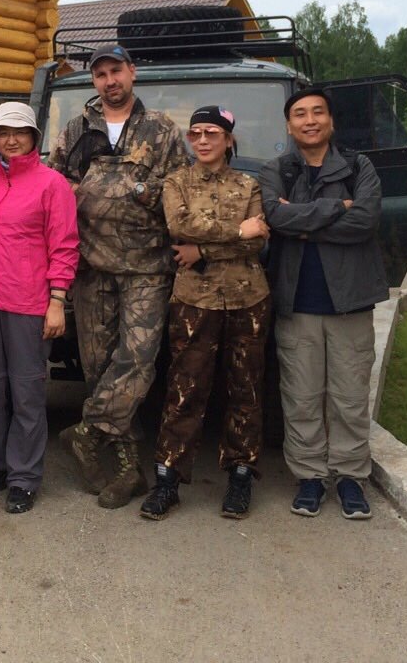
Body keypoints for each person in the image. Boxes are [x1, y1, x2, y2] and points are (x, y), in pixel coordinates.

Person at [48, 44, 189, 509]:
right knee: (101, 368)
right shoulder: (76, 129)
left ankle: (86, 431)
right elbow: (53, 184)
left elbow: (179, 188)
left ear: (133, 72)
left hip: (146, 267)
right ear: (95, 81)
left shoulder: (161, 130)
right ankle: (129, 471)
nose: (110, 81)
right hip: (91, 270)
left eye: (117, 71)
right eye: (101, 74)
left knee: (138, 359)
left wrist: (137, 188)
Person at [259, 88, 388, 520]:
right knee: (301, 397)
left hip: (350, 302)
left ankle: (351, 477)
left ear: (331, 121)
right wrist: (336, 208)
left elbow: (365, 220)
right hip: (297, 302)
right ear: (289, 125)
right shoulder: (277, 169)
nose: (309, 120)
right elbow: (274, 218)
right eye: (300, 114)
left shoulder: (357, 166)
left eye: (318, 112)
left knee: (350, 397)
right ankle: (310, 477)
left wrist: (303, 221)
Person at [140, 106, 271, 521]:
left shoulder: (248, 184)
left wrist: (204, 250)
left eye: (211, 132)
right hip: (194, 299)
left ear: (228, 139)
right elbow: (180, 227)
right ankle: (167, 480)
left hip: (247, 298)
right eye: (195, 133)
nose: (201, 140)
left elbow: (258, 241)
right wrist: (234, 233)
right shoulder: (175, 182)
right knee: (184, 389)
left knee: (245, 390)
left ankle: (240, 475)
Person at [0, 102, 78, 514]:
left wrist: (57, 302)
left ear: (33, 137)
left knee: (27, 393)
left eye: (20, 132)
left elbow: (64, 246)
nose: (11, 140)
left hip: (29, 304)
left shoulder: (52, 185)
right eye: (3, 132)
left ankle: (24, 477)